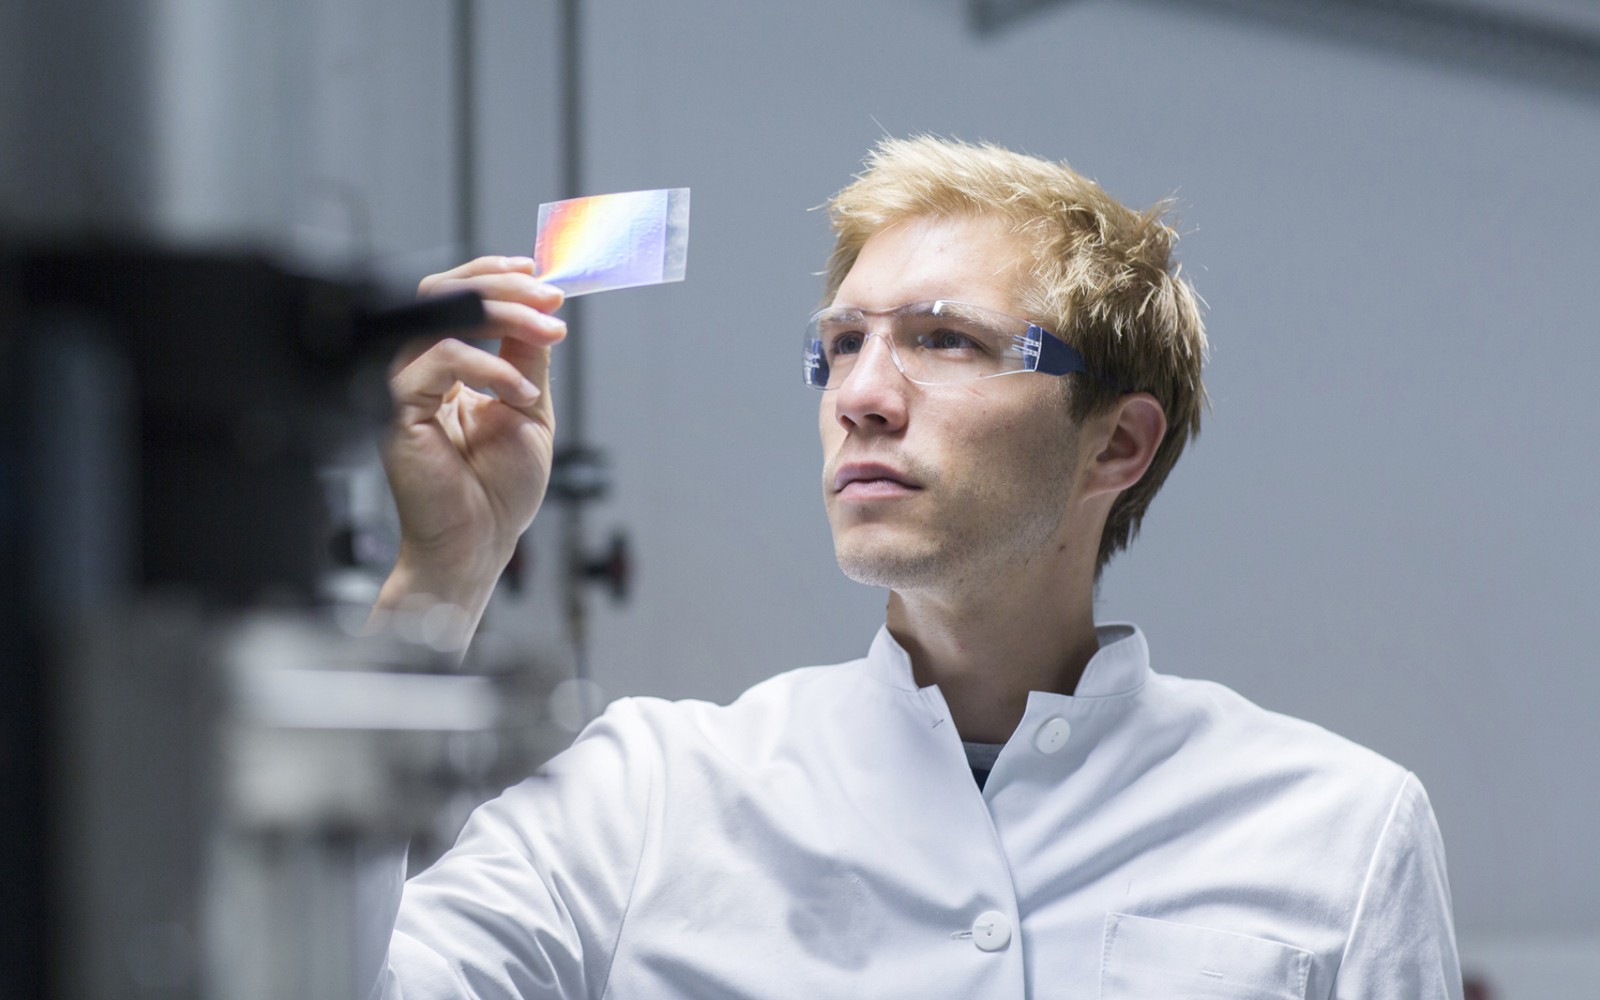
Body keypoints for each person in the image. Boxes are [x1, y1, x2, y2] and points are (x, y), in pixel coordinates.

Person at [368, 137, 1462, 998]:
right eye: (841, 343)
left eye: (944, 340)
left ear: (1117, 443)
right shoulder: (642, 796)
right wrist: (443, 573)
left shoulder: (1338, 830)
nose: (859, 394)